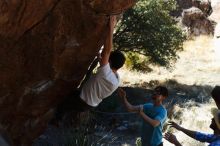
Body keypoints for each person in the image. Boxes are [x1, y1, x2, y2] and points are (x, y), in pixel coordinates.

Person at [54, 16, 126, 122]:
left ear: (109, 62)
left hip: (81, 100)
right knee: (69, 104)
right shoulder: (116, 79)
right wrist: (100, 58)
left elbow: (107, 50)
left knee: (61, 98)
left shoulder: (105, 73)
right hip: (91, 105)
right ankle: (64, 119)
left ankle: (56, 120)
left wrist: (111, 28)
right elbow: (105, 62)